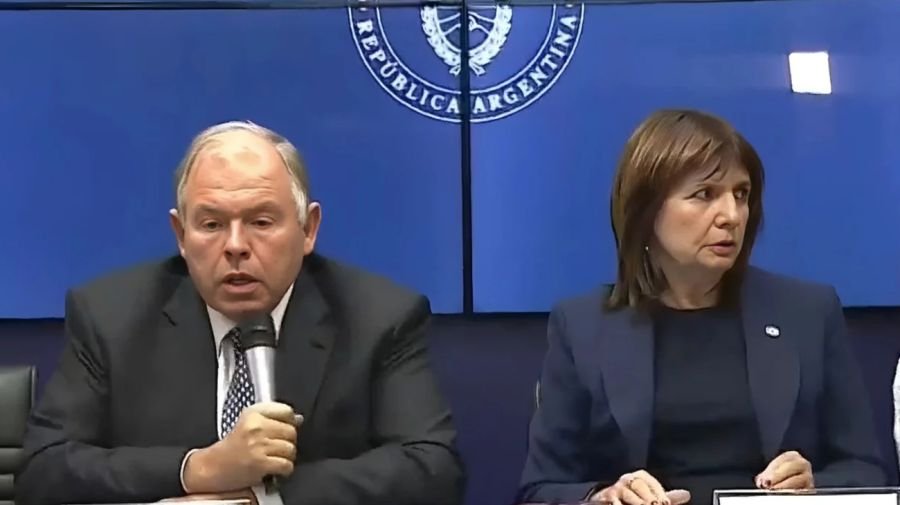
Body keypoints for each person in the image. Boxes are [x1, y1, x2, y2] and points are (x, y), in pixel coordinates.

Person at [15, 121, 465, 505]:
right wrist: (200, 469)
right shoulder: (111, 316)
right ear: (180, 234)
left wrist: (258, 495)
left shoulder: (379, 317)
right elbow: (43, 471)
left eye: (261, 222)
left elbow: (433, 469)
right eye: (211, 224)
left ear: (308, 229)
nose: (235, 246)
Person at [517, 109, 886, 505]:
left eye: (741, 194)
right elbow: (540, 490)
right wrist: (604, 498)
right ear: (647, 210)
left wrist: (813, 489)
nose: (731, 216)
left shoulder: (808, 312)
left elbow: (867, 472)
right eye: (705, 194)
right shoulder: (583, 326)